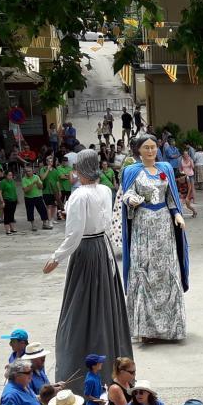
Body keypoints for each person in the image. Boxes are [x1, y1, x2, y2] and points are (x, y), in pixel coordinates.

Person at [44, 148, 134, 387]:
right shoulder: (105, 189)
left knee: (78, 315)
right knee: (106, 309)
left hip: (85, 252)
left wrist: (56, 258)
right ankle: (113, 373)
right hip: (102, 251)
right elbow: (106, 224)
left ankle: (77, 379)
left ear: (79, 169)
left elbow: (74, 234)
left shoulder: (79, 195)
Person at [120, 134, 190, 341]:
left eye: (153, 147)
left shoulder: (165, 169)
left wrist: (177, 214)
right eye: (146, 148)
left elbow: (171, 197)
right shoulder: (132, 171)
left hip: (163, 224)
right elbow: (126, 192)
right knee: (145, 269)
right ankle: (145, 328)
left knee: (165, 270)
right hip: (143, 223)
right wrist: (131, 199)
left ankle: (171, 327)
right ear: (138, 150)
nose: (151, 151)